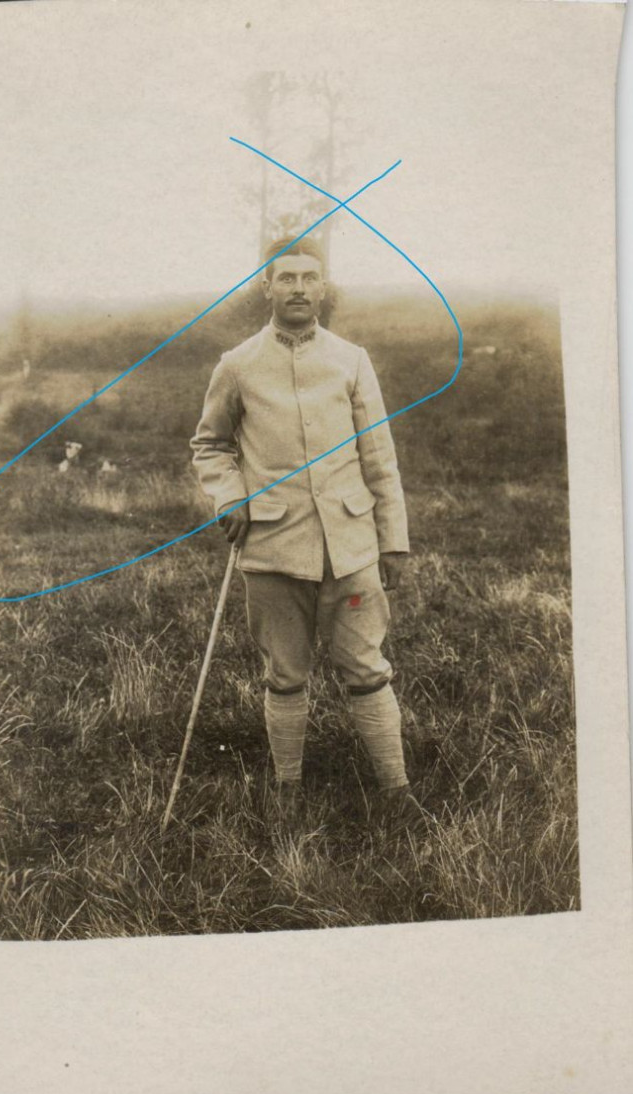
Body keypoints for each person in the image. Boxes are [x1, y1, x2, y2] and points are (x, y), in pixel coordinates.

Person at [191, 235, 422, 823]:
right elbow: (211, 445)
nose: (297, 288)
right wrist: (230, 494)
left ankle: (396, 793)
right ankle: (287, 791)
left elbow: (380, 458)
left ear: (323, 287)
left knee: (367, 669)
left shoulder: (352, 359)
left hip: (350, 550)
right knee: (285, 673)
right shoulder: (237, 364)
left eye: (309, 277)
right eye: (285, 277)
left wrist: (392, 540)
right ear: (266, 286)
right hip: (271, 547)